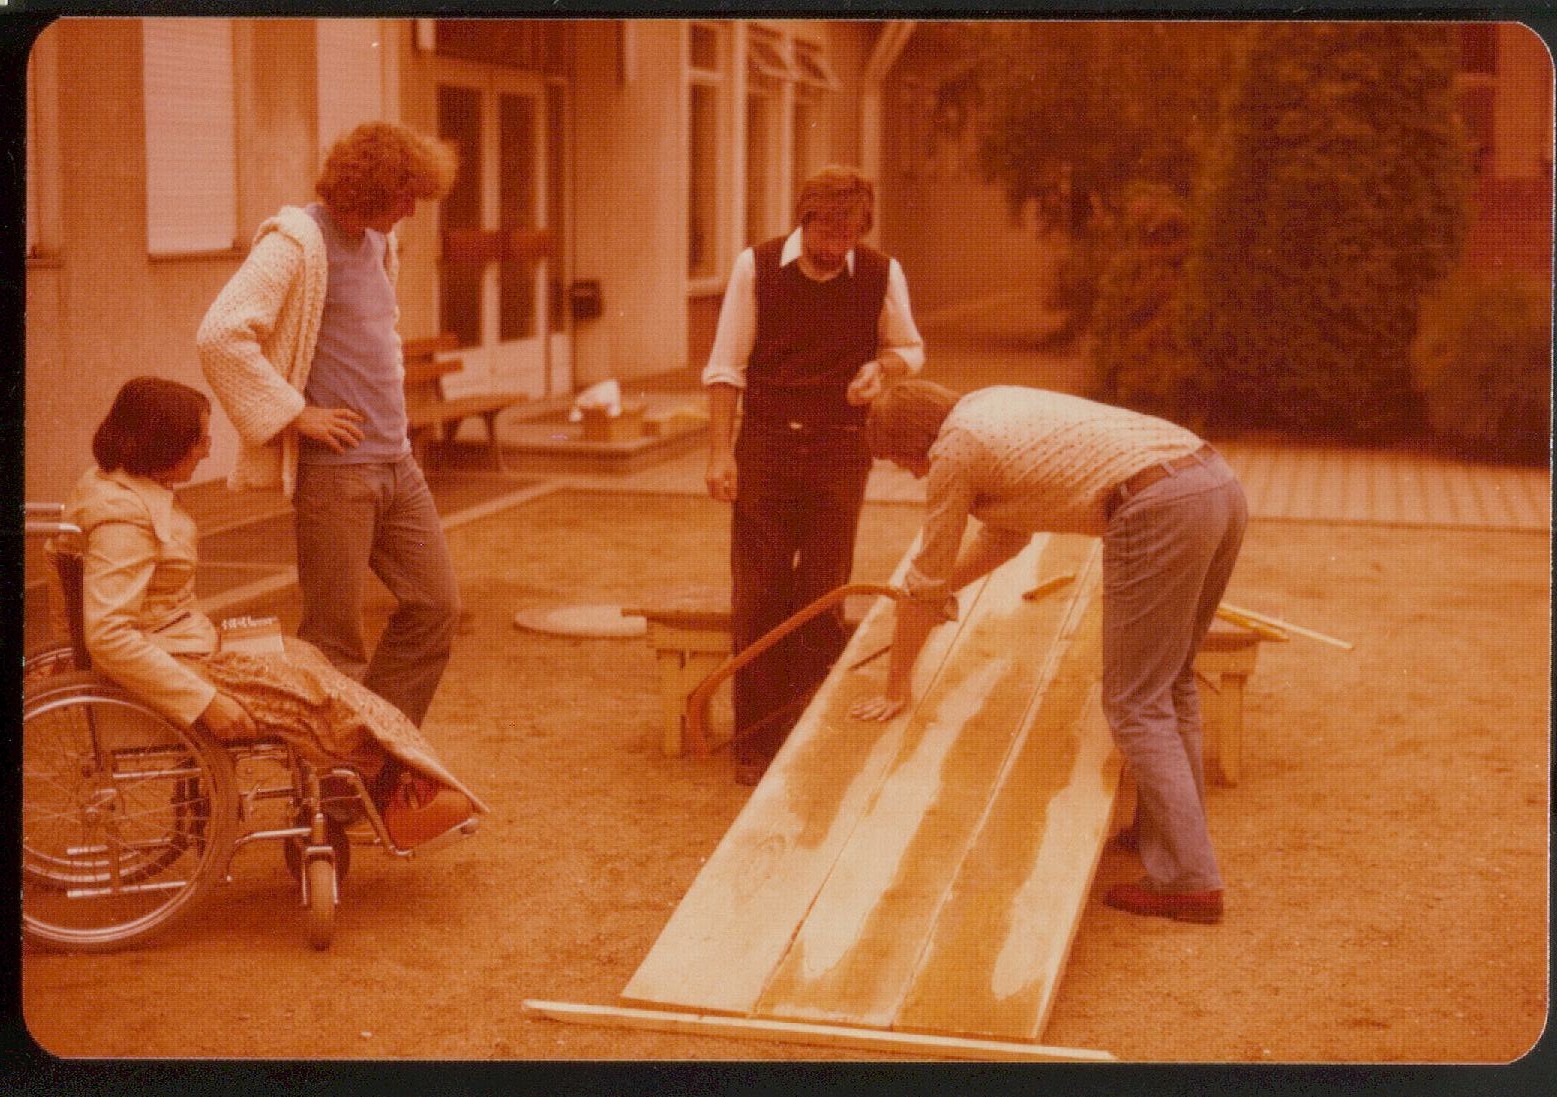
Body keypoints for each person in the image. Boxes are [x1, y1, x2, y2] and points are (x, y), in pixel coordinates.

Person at [851, 381, 1247, 924]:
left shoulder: (954, 452)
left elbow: (926, 575)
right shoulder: (988, 408)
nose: (914, 475)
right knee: (1170, 681)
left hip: (1155, 507)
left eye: (904, 463)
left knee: (1133, 703)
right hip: (1215, 484)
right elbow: (1004, 539)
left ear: (916, 441)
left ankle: (1189, 882)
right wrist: (944, 590)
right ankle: (1168, 837)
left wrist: (897, 685)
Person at [63, 377, 486, 842]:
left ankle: (393, 780)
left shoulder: (120, 486)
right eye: (198, 439)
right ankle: (391, 791)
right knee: (320, 702)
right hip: (178, 662)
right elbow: (108, 635)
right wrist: (206, 702)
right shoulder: (122, 520)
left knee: (308, 661)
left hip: (182, 642)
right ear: (159, 445)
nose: (207, 448)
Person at [197, 122, 459, 728]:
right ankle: (330, 778)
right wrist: (295, 412)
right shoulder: (296, 243)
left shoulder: (379, 244)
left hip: (397, 464)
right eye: (405, 197)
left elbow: (373, 338)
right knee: (334, 643)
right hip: (337, 476)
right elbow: (220, 334)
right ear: (370, 191)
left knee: (435, 606)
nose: (413, 211)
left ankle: (379, 746)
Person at [702, 166, 925, 784]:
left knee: (825, 593)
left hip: (841, 449)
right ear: (806, 218)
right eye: (829, 233)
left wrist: (882, 368)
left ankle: (806, 734)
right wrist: (720, 453)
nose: (838, 247)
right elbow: (725, 367)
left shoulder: (880, 272)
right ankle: (756, 743)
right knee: (759, 594)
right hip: (766, 446)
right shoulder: (757, 267)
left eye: (851, 235)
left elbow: (910, 348)